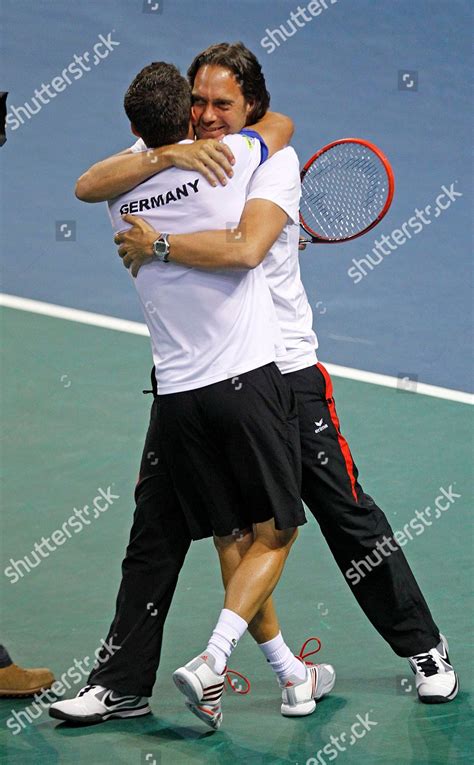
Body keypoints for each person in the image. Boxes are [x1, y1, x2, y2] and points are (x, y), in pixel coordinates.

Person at [54, 42, 457, 720]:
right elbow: (92, 181)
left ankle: (424, 648)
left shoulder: (267, 160)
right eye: (199, 102)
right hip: (198, 376)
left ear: (249, 109)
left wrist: (155, 242)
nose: (208, 116)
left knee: (343, 511)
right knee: (160, 525)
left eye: (223, 105)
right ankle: (123, 681)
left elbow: (244, 246)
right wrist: (164, 154)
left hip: (286, 369)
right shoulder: (177, 151)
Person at [49, 60, 336, 731]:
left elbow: (86, 183)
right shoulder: (232, 160)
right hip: (246, 382)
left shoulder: (124, 192)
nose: (209, 117)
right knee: (275, 527)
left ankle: (289, 674)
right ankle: (205, 662)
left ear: (134, 131)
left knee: (216, 532)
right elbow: (277, 142)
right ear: (186, 119)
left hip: (174, 396)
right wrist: (188, 170)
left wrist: (162, 161)